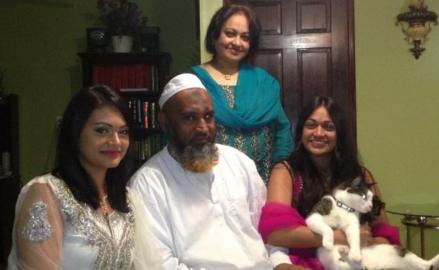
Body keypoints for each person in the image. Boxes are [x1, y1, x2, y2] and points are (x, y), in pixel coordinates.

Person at [129, 73, 300, 270]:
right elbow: (158, 264)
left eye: (208, 116)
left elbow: (268, 230)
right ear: (165, 123)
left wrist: (280, 263)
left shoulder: (239, 162)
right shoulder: (147, 183)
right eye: (189, 118)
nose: (203, 128)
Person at [7, 86, 146, 269]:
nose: (116, 141)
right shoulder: (46, 193)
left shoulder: (126, 198)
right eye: (102, 130)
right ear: (75, 132)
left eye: (123, 132)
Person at [259, 96, 401, 269]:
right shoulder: (285, 171)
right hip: (301, 263)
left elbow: (383, 233)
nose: (319, 133)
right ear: (301, 131)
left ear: (339, 134)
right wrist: (341, 237)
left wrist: (367, 242)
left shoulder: (361, 175)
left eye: (328, 127)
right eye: (311, 125)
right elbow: (275, 234)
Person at [191, 3, 294, 180]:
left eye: (245, 37)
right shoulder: (193, 82)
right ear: (215, 35)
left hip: (263, 182)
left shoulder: (264, 82)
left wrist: (281, 173)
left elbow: (281, 131)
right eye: (230, 34)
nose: (237, 43)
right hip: (210, 182)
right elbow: (181, 135)